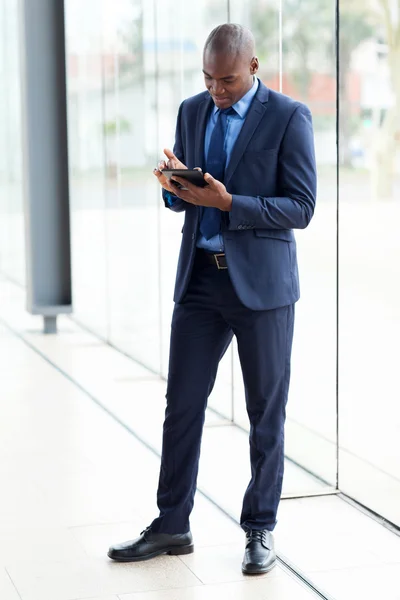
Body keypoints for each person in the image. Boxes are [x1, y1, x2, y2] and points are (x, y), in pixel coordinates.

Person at [108, 23, 316, 574]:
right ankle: (172, 523)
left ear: (252, 67)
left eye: (225, 80)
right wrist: (175, 188)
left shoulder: (289, 116)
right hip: (200, 279)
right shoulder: (192, 109)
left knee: (264, 413)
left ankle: (260, 529)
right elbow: (186, 202)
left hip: (262, 289)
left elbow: (301, 207)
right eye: (207, 78)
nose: (216, 90)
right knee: (182, 407)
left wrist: (230, 203)